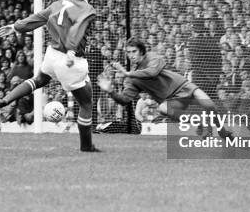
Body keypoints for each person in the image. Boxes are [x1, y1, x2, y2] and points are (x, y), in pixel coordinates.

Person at [0, 0, 100, 152]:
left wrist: (15, 26)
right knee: (86, 103)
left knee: (39, 80)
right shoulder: (88, 9)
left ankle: (6, 99)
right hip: (71, 61)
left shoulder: (58, 3)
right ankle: (87, 146)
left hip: (52, 55)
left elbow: (37, 18)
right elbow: (77, 30)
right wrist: (70, 51)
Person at [98, 37, 233, 138]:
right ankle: (199, 123)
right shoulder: (132, 80)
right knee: (162, 108)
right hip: (171, 98)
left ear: (141, 51)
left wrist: (127, 72)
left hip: (183, 86)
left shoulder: (152, 57)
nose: (131, 55)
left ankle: (223, 132)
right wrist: (111, 91)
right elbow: (125, 100)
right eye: (128, 52)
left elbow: (153, 72)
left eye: (134, 51)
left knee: (210, 106)